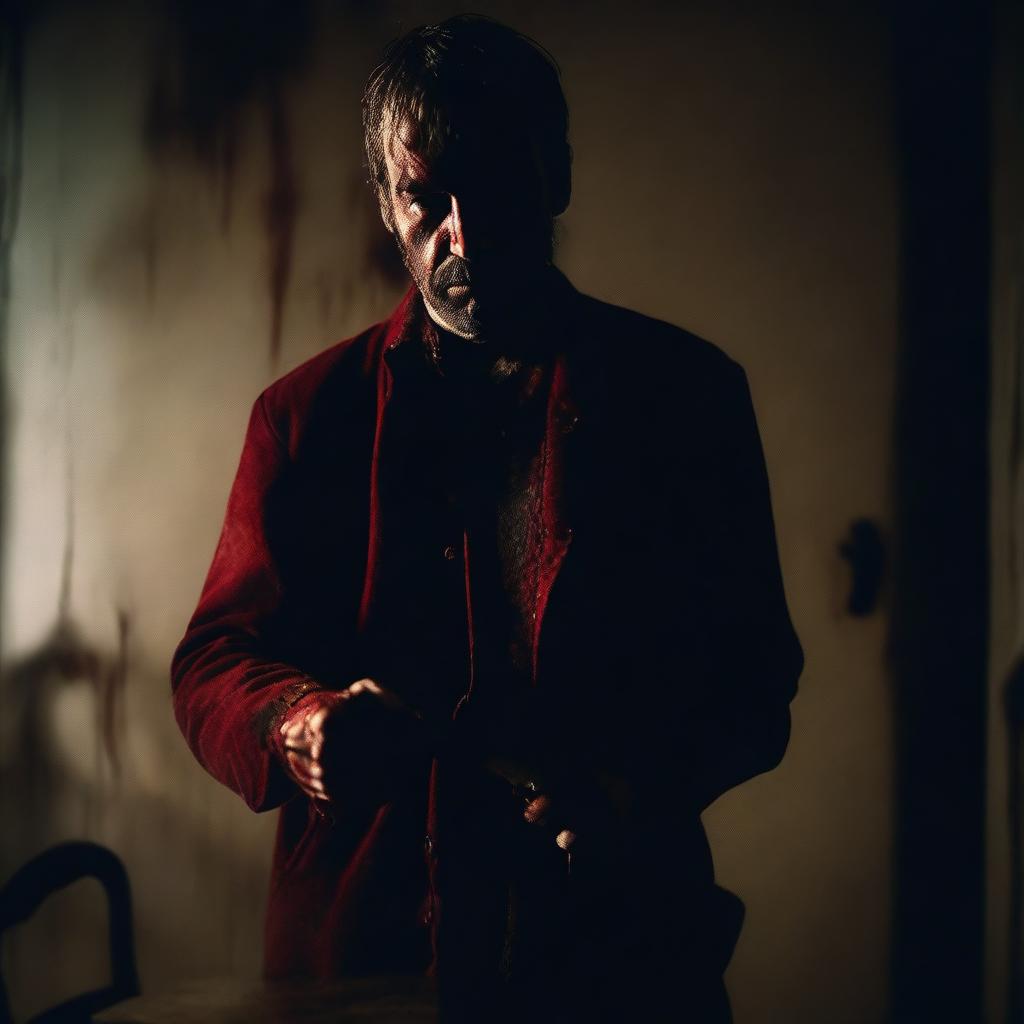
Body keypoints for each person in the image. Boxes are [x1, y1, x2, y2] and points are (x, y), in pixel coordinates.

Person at [171, 14, 804, 1023]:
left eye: (496, 183)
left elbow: (755, 675)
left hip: (621, 947)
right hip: (364, 955)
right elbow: (212, 660)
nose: (463, 232)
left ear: (552, 177)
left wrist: (630, 789)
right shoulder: (305, 418)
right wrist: (298, 723)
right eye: (425, 196)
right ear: (385, 204)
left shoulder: (685, 396)